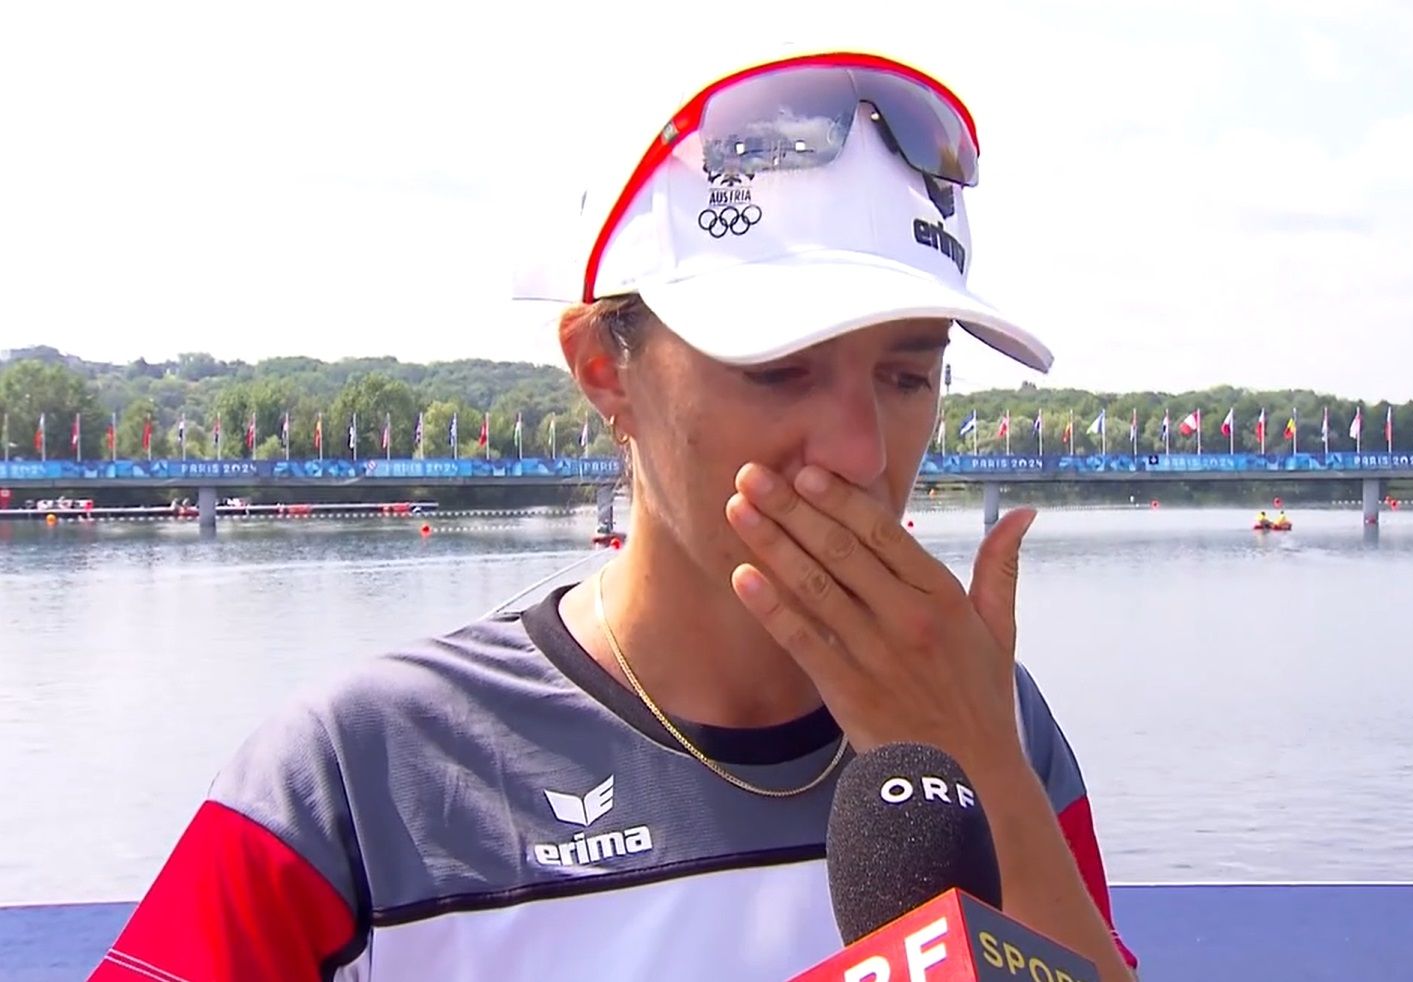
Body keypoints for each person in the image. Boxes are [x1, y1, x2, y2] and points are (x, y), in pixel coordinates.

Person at [89, 50, 1138, 981]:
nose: (859, 451)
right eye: (777, 371)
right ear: (605, 371)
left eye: (907, 377)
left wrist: (983, 767)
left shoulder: (993, 717)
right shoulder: (361, 774)